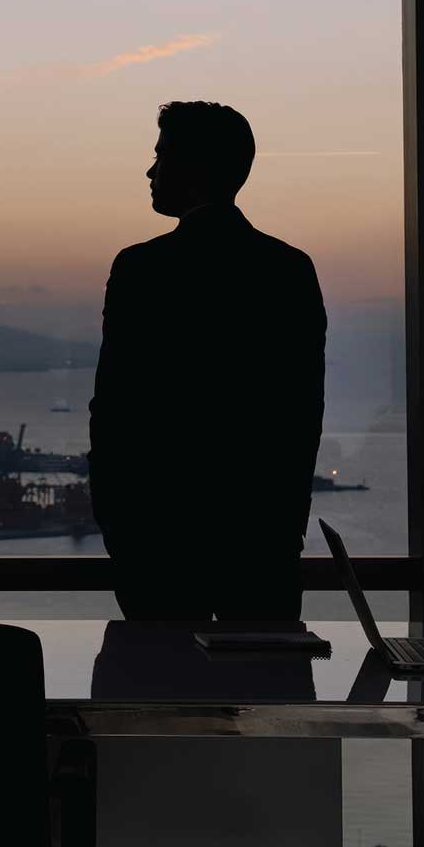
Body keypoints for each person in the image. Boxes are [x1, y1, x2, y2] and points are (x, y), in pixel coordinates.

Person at [88, 101, 327, 620]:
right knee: (267, 687)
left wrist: (116, 520)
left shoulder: (143, 268)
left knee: (156, 688)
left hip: (156, 537)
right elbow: (301, 411)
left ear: (194, 168)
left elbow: (115, 405)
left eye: (161, 156)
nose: (151, 171)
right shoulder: (287, 269)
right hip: (260, 537)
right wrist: (284, 525)